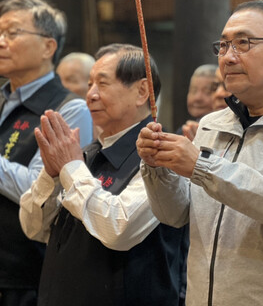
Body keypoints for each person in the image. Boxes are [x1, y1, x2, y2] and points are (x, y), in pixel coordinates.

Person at [136, 0, 263, 305]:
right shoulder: (211, 123)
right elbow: (175, 215)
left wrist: (201, 167)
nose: (228, 57)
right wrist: (157, 168)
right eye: (223, 45)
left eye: (243, 43)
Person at [19, 44, 187, 306]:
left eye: (103, 84)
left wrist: (70, 169)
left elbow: (118, 230)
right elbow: (34, 229)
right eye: (89, 84)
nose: (90, 95)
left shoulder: (162, 155)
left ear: (142, 91)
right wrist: (50, 175)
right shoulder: (84, 153)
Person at [0, 0, 93, 306]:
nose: (1, 42)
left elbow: (41, 191)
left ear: (48, 47)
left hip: (22, 275)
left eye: (12, 33)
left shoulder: (69, 108)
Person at [179, 64, 217, 141]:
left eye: (207, 91)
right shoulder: (182, 133)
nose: (197, 98)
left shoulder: (224, 137)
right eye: (193, 91)